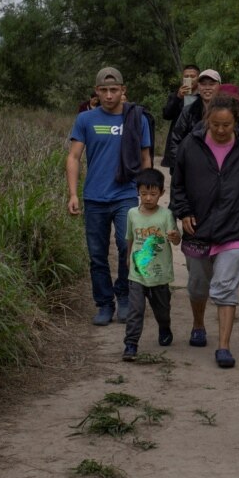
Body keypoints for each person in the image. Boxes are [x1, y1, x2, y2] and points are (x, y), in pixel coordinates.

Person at [170, 96, 239, 368]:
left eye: (226, 125)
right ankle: (198, 324)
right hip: (198, 227)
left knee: (226, 287)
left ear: (235, 123)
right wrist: (183, 211)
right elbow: (177, 183)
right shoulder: (190, 146)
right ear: (207, 121)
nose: (219, 130)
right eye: (215, 124)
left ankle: (224, 347)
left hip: (233, 227)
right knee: (198, 285)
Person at [67, 67, 152, 326]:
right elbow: (73, 157)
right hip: (94, 197)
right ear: (96, 92)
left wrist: (148, 195)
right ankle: (104, 303)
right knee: (97, 254)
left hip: (125, 194)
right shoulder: (86, 120)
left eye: (114, 89)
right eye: (103, 90)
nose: (109, 95)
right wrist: (73, 194)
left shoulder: (137, 119)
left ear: (123, 90)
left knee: (128, 247)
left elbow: (146, 157)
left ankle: (124, 296)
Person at [122, 168, 181, 361]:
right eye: (144, 193)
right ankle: (131, 344)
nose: (148, 198)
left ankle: (164, 327)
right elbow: (130, 238)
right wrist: (127, 257)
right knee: (135, 310)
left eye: (153, 194)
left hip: (160, 273)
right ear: (137, 191)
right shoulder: (132, 214)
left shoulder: (166, 215)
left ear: (162, 193)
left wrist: (174, 237)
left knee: (162, 310)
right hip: (137, 273)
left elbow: (176, 240)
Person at [166, 68, 221, 167]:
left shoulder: (227, 110)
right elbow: (175, 140)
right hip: (191, 166)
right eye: (203, 84)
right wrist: (181, 166)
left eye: (212, 84)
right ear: (199, 86)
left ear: (219, 86)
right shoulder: (188, 110)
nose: (207, 88)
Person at [161, 64, 200, 169]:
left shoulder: (202, 96)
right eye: (186, 76)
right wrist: (178, 97)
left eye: (193, 76)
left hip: (196, 142)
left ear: (198, 78)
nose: (189, 79)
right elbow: (167, 115)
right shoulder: (176, 95)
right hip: (177, 142)